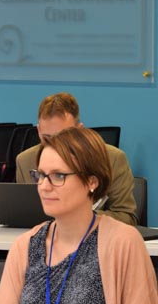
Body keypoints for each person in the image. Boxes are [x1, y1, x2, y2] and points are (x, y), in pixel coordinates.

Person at [0, 127, 158, 304]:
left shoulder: (123, 242)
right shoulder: (25, 244)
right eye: (40, 175)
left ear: (91, 182)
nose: (44, 186)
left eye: (58, 176)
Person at [16, 92, 137, 225]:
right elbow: (25, 213)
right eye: (47, 138)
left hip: (99, 234)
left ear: (79, 130)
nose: (56, 144)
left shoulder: (113, 158)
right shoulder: (25, 161)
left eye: (64, 136)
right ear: (38, 131)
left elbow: (126, 217)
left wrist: (78, 216)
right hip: (44, 234)